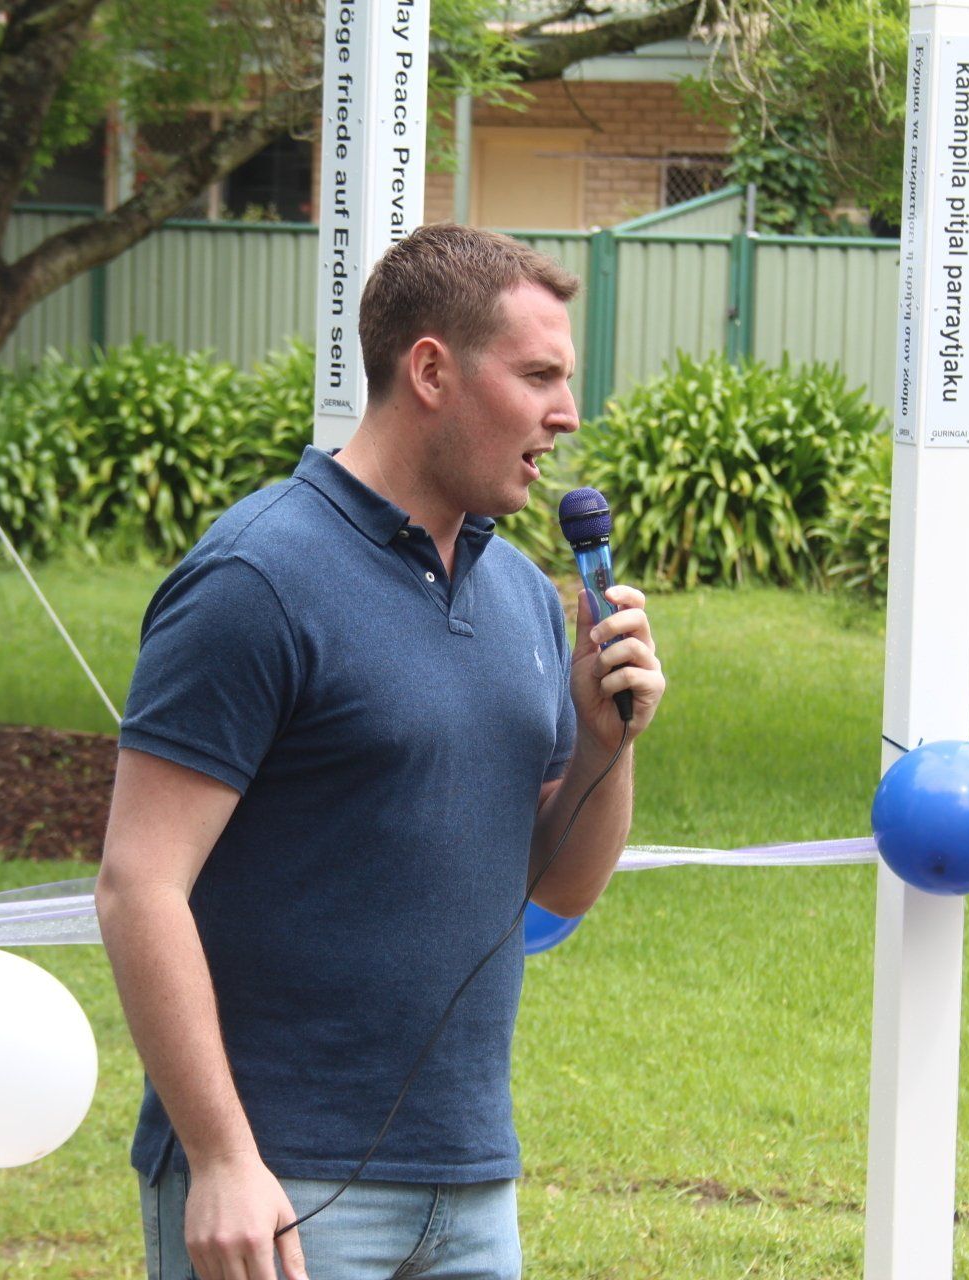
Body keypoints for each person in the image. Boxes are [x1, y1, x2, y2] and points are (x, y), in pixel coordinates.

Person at [96, 224, 666, 1279]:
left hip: (471, 1181)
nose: (567, 414)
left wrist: (603, 745)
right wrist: (222, 1156)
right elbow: (139, 882)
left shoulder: (522, 598)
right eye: (538, 374)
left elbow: (560, 886)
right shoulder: (255, 578)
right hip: (280, 1186)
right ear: (433, 370)